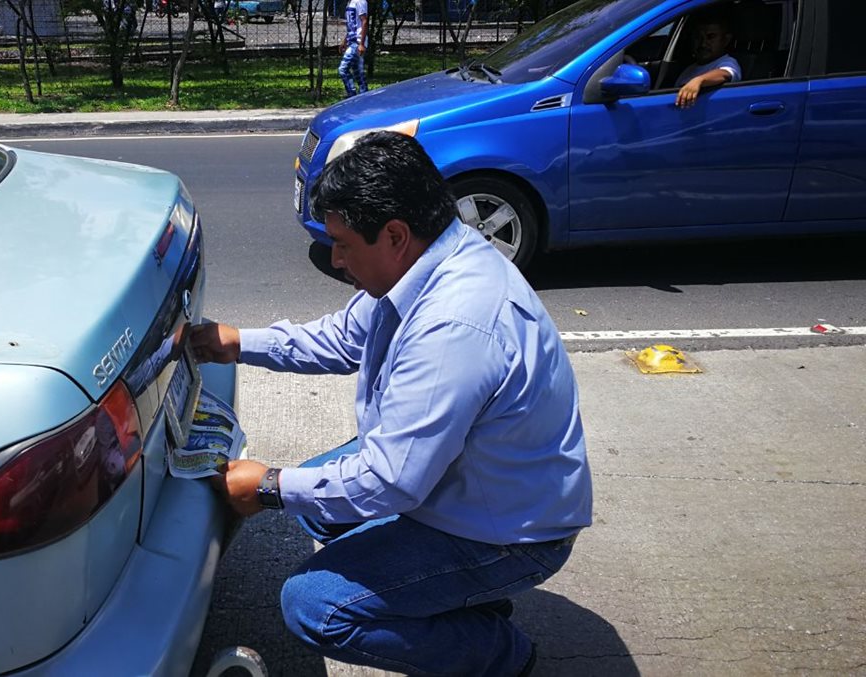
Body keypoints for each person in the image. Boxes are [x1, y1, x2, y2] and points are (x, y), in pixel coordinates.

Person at [190, 131, 592, 677]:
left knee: (315, 605)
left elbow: (391, 482)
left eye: (343, 243)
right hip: (468, 472)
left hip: (511, 532)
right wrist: (238, 342)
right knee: (319, 499)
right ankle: (451, 596)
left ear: (395, 234)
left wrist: (267, 487)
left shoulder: (453, 325)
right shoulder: (430, 257)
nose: (335, 259)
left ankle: (498, 653)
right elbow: (341, 339)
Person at [674, 10, 741, 108]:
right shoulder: (690, 68)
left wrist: (699, 81)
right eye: (698, 37)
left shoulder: (727, 62)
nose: (703, 43)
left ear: (726, 40)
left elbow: (726, 73)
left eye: (711, 37)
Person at [338, 0, 369, 97]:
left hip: (357, 42)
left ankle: (352, 95)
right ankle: (365, 96)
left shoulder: (360, 1)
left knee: (343, 69)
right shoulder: (350, 2)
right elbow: (352, 25)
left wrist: (362, 44)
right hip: (352, 41)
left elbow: (364, 21)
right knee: (358, 72)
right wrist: (345, 40)